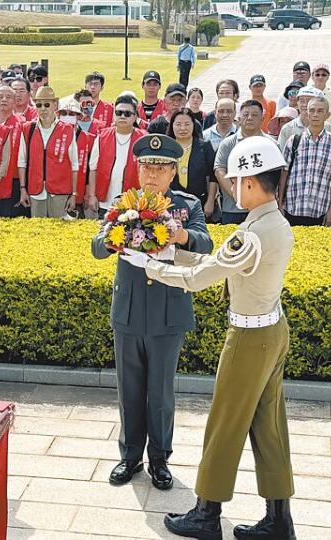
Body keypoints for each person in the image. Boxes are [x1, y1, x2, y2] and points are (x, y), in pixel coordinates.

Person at [130, 137, 296, 540]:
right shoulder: (272, 222)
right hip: (272, 329)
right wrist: (174, 253)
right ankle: (278, 519)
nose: (229, 187)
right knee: (268, 426)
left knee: (224, 424)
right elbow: (217, 261)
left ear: (253, 184)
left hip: (249, 338)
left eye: (235, 180)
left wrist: (152, 267)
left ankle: (207, 513)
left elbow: (199, 280)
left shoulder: (252, 232)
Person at [91, 133, 213, 492]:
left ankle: (159, 459)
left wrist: (181, 237)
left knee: (160, 391)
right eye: (146, 166)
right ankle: (130, 456)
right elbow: (97, 248)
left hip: (167, 311)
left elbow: (205, 243)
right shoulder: (121, 204)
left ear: (173, 172)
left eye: (160, 168)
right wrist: (116, 234)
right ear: (138, 168)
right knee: (129, 388)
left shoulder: (186, 205)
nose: (152, 174)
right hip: (128, 310)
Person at [278, 96, 331, 226]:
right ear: (307, 113)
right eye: (312, 110)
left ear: (327, 115)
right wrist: (280, 203)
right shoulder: (294, 140)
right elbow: (284, 173)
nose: (315, 114)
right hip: (292, 208)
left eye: (320, 111)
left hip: (319, 209)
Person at [17, 86, 79, 218]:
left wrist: (73, 194)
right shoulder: (28, 129)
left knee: (59, 232)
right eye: (39, 105)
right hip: (35, 189)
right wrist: (23, 189)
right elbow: (22, 162)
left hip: (60, 190)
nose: (43, 108)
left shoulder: (67, 130)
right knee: (38, 232)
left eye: (47, 104)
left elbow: (74, 165)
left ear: (55, 105)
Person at [215, 100, 277, 224]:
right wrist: (238, 194)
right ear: (238, 118)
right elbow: (219, 170)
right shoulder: (228, 143)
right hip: (233, 209)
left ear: (262, 119)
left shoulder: (271, 145)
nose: (249, 118)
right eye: (245, 114)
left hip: (262, 208)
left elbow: (276, 175)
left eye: (254, 115)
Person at [86, 94, 147, 218]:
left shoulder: (143, 138)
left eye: (127, 113)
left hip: (133, 202)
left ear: (135, 117)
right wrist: (92, 196)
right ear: (114, 115)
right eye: (119, 113)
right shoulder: (102, 137)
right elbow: (93, 169)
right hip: (105, 201)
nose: (123, 116)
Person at [167, 109, 217, 218]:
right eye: (178, 124)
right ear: (172, 126)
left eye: (187, 124)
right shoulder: (166, 148)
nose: (183, 128)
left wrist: (210, 201)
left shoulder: (205, 147)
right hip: (170, 204)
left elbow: (212, 177)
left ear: (194, 125)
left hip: (199, 202)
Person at [61, 99, 97, 218]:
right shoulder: (52, 136)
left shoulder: (89, 139)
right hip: (56, 192)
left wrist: (88, 193)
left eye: (71, 114)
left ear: (78, 116)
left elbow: (91, 168)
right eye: (64, 114)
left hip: (80, 193)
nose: (67, 117)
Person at [0, 85, 28, 218]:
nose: (4, 100)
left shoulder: (23, 124)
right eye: (0, 97)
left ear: (15, 101)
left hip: (15, 179)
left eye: (8, 97)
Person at [277, 86, 323, 150]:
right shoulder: (287, 128)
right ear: (297, 103)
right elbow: (281, 156)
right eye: (302, 101)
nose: (305, 104)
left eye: (309, 101)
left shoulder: (326, 127)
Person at [310, 63, 331, 135]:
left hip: (327, 133)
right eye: (317, 75)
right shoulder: (307, 93)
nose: (320, 77)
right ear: (312, 76)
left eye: (324, 75)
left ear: (328, 77)